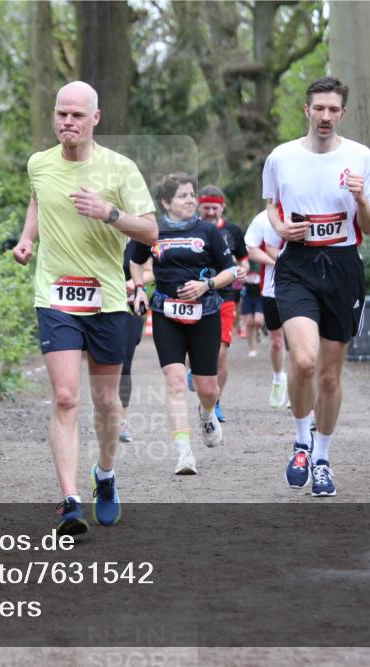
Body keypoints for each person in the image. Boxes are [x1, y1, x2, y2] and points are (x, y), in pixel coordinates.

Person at [13, 81, 157, 534]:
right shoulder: (39, 164)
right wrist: (27, 238)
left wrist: (109, 213)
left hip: (108, 300)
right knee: (64, 396)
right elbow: (38, 198)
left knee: (106, 402)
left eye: (77, 115)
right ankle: (70, 500)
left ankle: (106, 475)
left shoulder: (120, 169)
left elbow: (151, 232)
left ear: (95, 118)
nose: (67, 122)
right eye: (61, 114)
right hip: (55, 296)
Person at [261, 76, 370, 497]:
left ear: (342, 113)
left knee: (329, 377)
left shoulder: (361, 158)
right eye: (319, 108)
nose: (326, 116)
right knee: (306, 361)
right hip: (297, 264)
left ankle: (323, 457)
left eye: (334, 109)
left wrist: (363, 200)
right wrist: (282, 229)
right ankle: (300, 439)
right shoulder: (281, 157)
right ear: (307, 110)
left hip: (344, 265)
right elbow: (271, 210)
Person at [129, 173, 236, 475]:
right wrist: (139, 289)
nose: (190, 200)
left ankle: (206, 412)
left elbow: (232, 271)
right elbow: (136, 261)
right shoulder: (153, 232)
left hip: (205, 314)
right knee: (175, 381)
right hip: (166, 314)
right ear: (165, 202)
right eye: (182, 196)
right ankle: (184, 452)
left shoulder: (209, 232)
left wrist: (207, 285)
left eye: (192, 195)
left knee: (207, 387)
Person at [195, 185, 249, 423]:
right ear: (199, 205)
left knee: (220, 354)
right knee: (193, 353)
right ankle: (196, 375)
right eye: (205, 207)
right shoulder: (191, 229)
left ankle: (215, 402)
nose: (209, 212)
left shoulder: (233, 231)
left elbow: (245, 260)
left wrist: (243, 271)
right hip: (195, 297)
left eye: (214, 208)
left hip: (225, 297)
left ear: (222, 207)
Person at [244, 209, 288, 408]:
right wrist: (278, 262)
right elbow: (251, 250)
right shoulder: (263, 218)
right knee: (277, 342)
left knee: (299, 344)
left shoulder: (308, 209)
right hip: (272, 289)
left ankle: (301, 391)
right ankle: (279, 379)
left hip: (304, 289)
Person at [118, 243, 153, 443]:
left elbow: (149, 271)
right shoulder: (97, 234)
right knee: (104, 361)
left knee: (124, 363)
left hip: (130, 305)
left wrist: (134, 282)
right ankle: (106, 413)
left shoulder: (136, 240)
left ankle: (122, 420)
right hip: (99, 306)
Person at [239, 262, 265, 357]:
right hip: (248, 295)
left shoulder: (260, 260)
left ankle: (258, 331)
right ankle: (252, 348)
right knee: (249, 323)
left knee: (258, 321)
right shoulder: (243, 259)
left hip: (259, 295)